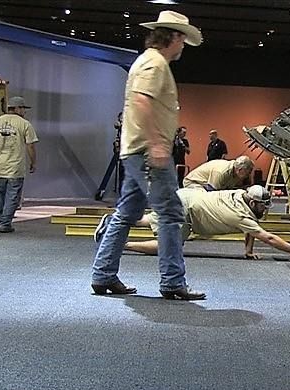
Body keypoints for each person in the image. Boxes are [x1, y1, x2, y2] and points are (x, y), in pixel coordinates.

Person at [91, 10, 205, 300]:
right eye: (182, 40)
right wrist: (156, 144)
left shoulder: (147, 61)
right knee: (171, 213)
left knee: (127, 212)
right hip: (148, 152)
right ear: (174, 37)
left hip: (136, 151)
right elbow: (143, 101)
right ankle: (172, 281)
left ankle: (103, 274)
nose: (183, 46)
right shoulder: (155, 64)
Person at [94, 185, 290, 262]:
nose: (265, 210)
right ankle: (117, 244)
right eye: (263, 206)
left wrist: (248, 251)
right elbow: (267, 237)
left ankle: (113, 222)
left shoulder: (240, 194)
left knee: (150, 219)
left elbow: (251, 227)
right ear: (254, 202)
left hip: (186, 197)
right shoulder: (241, 215)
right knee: (168, 247)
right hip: (186, 211)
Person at [0, 96, 38, 233]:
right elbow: (30, 146)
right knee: (12, 196)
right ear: (17, 108)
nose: (24, 112)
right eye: (23, 109)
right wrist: (33, 162)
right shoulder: (25, 124)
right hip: (15, 169)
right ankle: (5, 223)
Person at [183, 155, 253, 190]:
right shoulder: (221, 172)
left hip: (208, 185)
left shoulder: (237, 173)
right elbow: (213, 193)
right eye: (247, 173)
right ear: (240, 170)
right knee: (205, 199)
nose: (248, 175)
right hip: (193, 182)